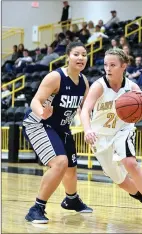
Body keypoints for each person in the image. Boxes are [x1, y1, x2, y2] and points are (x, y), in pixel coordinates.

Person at [80, 48, 142, 225]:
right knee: (121, 181)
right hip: (100, 137)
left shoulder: (132, 88)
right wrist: (87, 129)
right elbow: (85, 110)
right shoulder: (99, 86)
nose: (108, 68)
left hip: (123, 130)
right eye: (106, 64)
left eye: (112, 65)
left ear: (123, 66)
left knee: (130, 163)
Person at [22, 42, 93, 224]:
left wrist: (89, 128)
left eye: (84, 54)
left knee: (71, 168)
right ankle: (36, 208)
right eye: (76, 54)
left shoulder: (83, 82)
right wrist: (41, 111)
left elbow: (83, 109)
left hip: (61, 127)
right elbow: (35, 101)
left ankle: (71, 199)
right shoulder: (55, 77)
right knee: (60, 163)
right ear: (68, 56)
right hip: (39, 124)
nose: (81, 58)